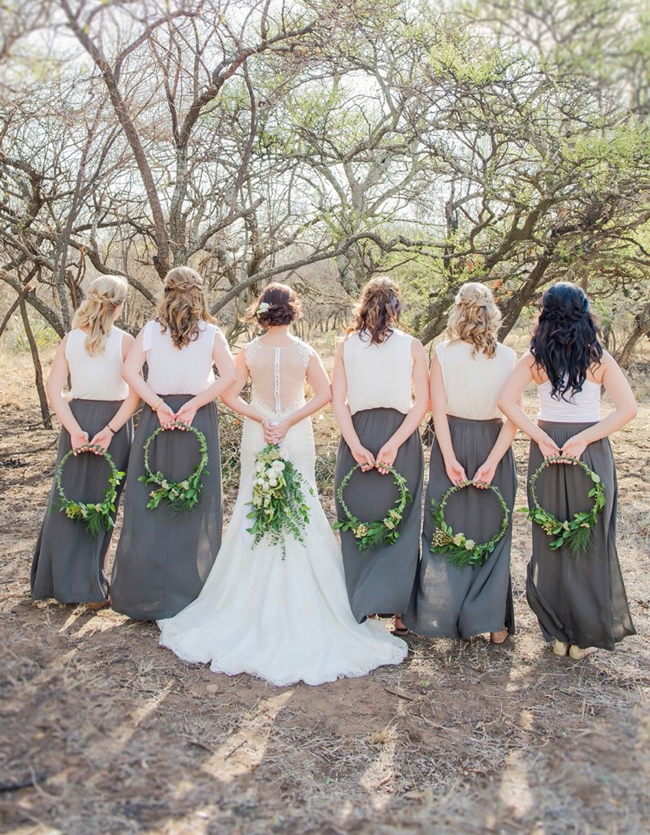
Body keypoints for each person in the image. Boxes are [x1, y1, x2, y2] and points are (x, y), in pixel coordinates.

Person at [159, 282, 407, 685]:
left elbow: (229, 395)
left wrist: (262, 418)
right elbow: (326, 395)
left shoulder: (250, 352)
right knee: (302, 504)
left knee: (252, 504)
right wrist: (289, 419)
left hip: (261, 433)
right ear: (293, 312)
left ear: (262, 313)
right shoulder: (304, 352)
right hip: (293, 434)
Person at [498, 282, 637, 659]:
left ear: (545, 313)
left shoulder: (534, 356)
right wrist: (584, 439)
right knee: (588, 537)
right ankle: (583, 635)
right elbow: (629, 410)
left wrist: (540, 437)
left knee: (552, 537)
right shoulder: (598, 356)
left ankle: (559, 634)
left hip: (547, 448)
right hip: (588, 450)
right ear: (583, 311)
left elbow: (505, 401)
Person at [110, 266, 236, 620]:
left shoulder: (150, 330)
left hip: (159, 417)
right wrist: (195, 403)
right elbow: (230, 375)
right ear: (199, 293)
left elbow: (129, 372)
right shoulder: (211, 333)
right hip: (197, 419)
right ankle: (189, 595)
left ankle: (146, 594)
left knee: (151, 500)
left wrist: (159, 405)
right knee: (195, 503)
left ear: (165, 292)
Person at [405, 282, 518, 643]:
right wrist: (493, 460)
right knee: (492, 530)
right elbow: (512, 416)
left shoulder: (442, 352)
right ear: (492, 312)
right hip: (493, 442)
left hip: (451, 440)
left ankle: (445, 616)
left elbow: (436, 409)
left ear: (458, 311)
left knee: (445, 526)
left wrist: (449, 457)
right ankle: (492, 623)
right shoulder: (510, 357)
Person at [31, 274, 139, 607]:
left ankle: (60, 582)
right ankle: (92, 588)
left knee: (68, 501)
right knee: (104, 503)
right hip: (114, 425)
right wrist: (109, 431)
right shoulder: (125, 341)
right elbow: (136, 394)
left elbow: (54, 390)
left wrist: (74, 429)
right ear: (118, 305)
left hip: (75, 420)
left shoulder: (70, 340)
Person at [331, 277, 429, 633]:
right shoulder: (412, 345)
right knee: (402, 521)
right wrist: (395, 443)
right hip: (399, 436)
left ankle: (367, 603)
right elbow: (424, 403)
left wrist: (354, 444)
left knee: (359, 518)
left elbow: (337, 400)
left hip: (357, 433)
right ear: (396, 307)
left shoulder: (345, 346)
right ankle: (400, 613)